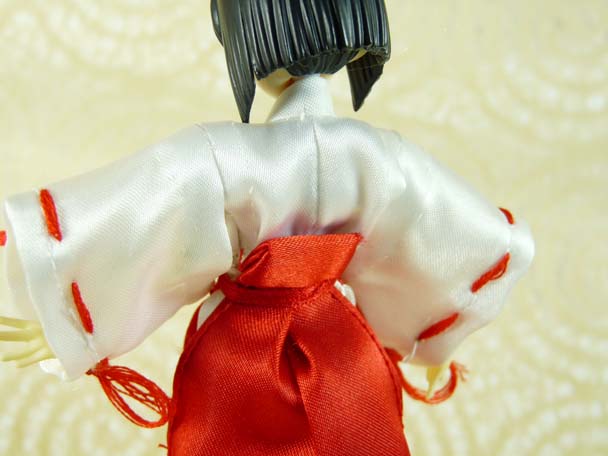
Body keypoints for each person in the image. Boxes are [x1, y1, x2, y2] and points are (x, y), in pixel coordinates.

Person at [0, 1, 534, 454]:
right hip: (345, 348)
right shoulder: (383, 156)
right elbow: (440, 229)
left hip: (238, 355)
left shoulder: (223, 157)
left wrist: (68, 317)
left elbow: (151, 213)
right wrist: (436, 332)